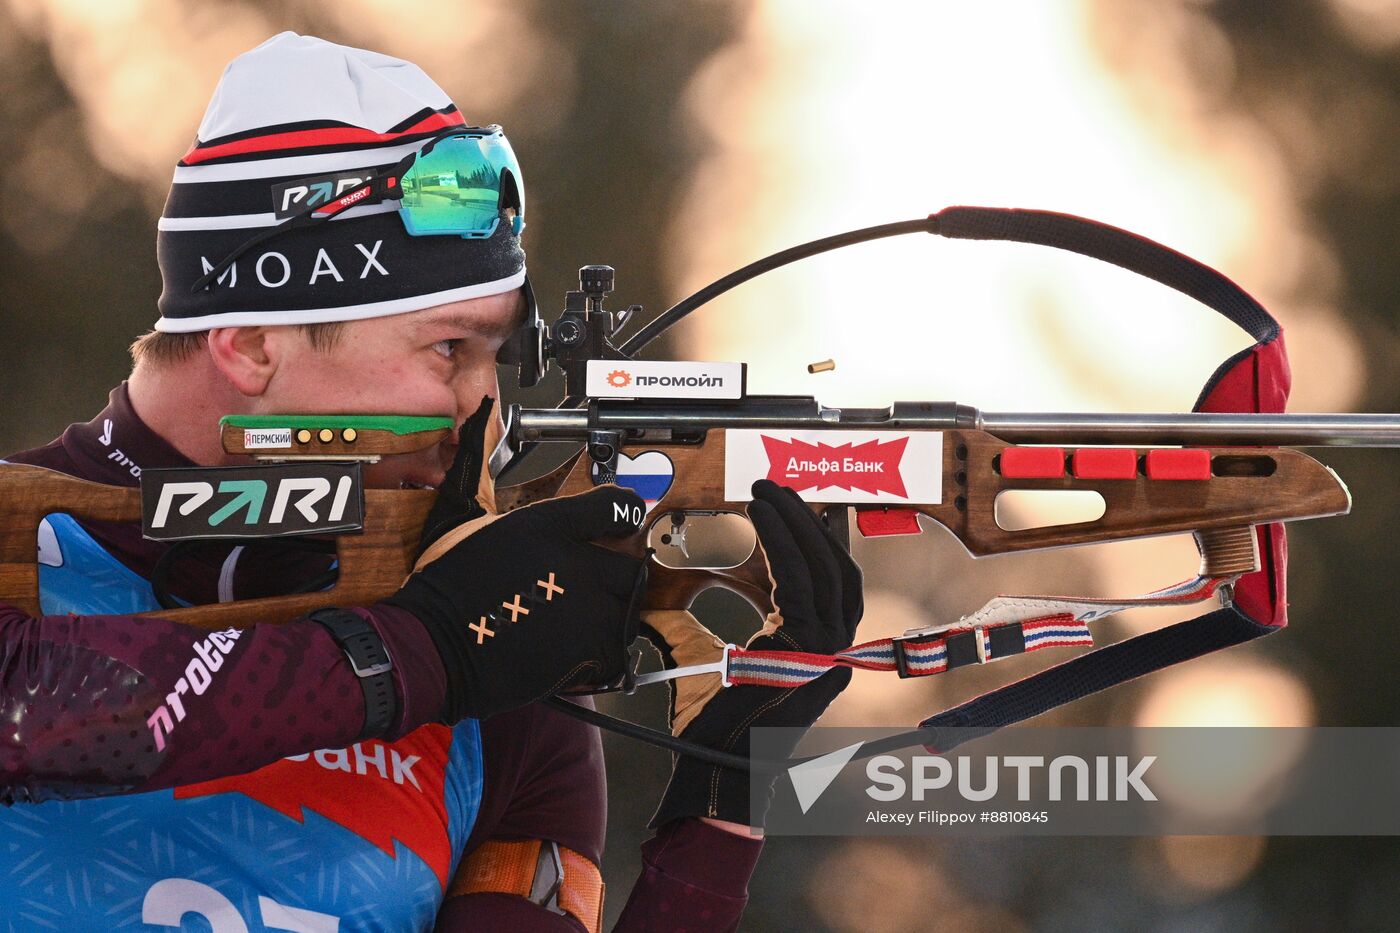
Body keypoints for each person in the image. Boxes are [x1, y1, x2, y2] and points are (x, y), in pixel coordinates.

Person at [0, 33, 861, 931]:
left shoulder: (499, 658)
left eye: (497, 354)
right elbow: (25, 708)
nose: (485, 402)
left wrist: (722, 799)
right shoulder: (456, 637)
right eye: (447, 348)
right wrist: (420, 651)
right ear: (252, 343)